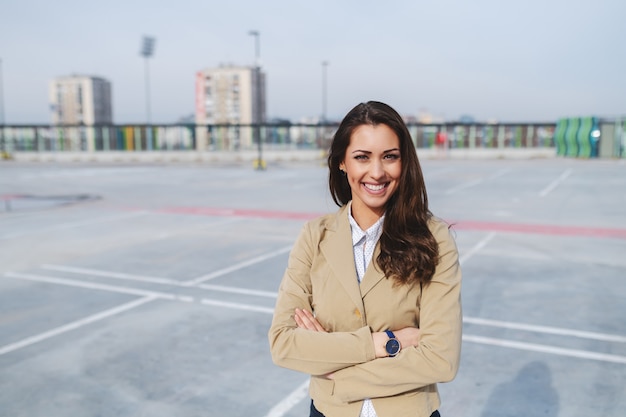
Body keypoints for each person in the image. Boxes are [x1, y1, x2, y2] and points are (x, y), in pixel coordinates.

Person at [268, 101, 462, 417]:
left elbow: (441, 358)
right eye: (362, 157)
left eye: (390, 157)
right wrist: (385, 343)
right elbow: (284, 343)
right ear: (342, 162)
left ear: (404, 162)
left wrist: (335, 368)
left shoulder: (434, 238)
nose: (376, 172)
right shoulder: (314, 236)